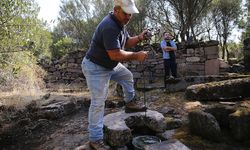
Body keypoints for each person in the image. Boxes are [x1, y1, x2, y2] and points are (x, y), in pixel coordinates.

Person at [80, 0, 149, 149]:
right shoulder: (109, 26)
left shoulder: (120, 24)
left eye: (130, 13)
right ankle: (95, 139)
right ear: (116, 10)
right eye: (126, 13)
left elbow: (126, 42)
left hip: (109, 65)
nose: (128, 16)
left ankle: (130, 103)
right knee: (98, 102)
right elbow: (115, 54)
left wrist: (139, 38)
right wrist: (137, 55)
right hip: (95, 67)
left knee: (127, 76)